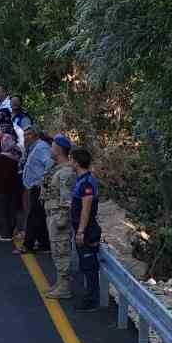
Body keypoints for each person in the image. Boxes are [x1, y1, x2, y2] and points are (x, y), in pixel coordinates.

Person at [43, 136, 77, 299]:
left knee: (61, 250)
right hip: (53, 214)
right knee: (57, 250)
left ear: (58, 150)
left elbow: (67, 198)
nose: (50, 149)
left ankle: (64, 286)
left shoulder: (65, 172)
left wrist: (62, 218)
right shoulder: (57, 168)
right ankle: (59, 283)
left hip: (58, 216)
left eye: (52, 147)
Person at [71, 146, 102, 310]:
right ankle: (90, 297)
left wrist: (81, 231)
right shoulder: (82, 180)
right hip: (82, 228)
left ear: (76, 163)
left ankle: (92, 300)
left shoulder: (87, 183)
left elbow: (86, 209)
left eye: (72, 160)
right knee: (86, 264)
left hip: (87, 230)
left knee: (89, 266)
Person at [17, 124, 53, 254]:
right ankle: (44, 244)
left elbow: (49, 164)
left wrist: (41, 181)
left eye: (29, 134)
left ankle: (28, 245)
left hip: (39, 187)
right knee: (39, 215)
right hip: (33, 186)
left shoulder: (41, 147)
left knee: (34, 215)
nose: (26, 137)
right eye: (25, 135)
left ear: (36, 135)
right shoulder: (33, 147)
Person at [0, 133, 22, 240]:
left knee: (1, 211)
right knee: (11, 210)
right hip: (13, 187)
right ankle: (11, 231)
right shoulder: (16, 157)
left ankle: (4, 234)